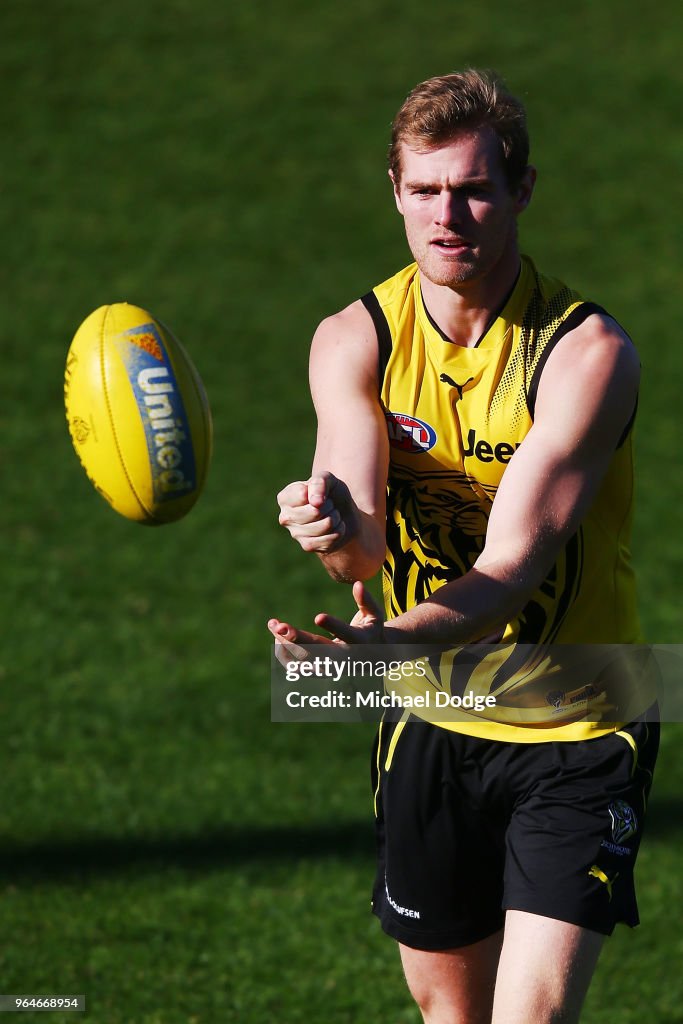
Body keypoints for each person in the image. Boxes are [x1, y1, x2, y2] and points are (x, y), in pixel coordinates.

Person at [268, 69, 658, 1024]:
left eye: (476, 188)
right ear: (395, 192)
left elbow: (508, 570)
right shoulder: (352, 339)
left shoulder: (582, 355)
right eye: (426, 190)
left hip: (575, 712)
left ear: (521, 191)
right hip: (429, 716)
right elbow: (359, 545)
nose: (451, 215)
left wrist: (387, 646)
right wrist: (330, 528)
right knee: (453, 1016)